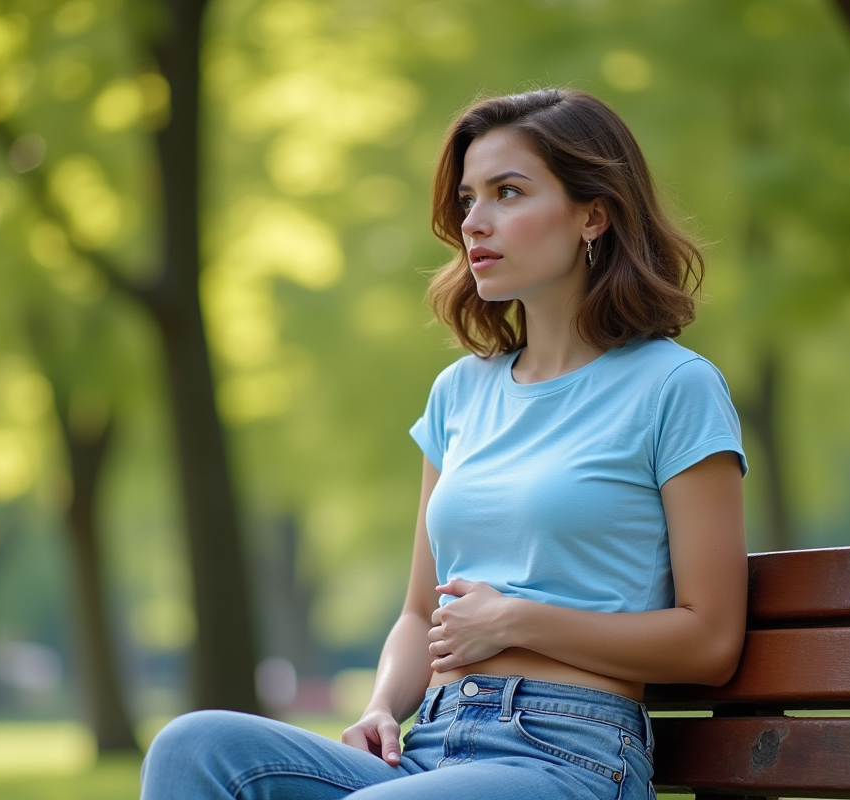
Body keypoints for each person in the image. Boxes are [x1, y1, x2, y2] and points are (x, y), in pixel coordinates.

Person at [139, 87, 748, 800]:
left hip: (567, 755)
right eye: (467, 199)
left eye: (507, 193)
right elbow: (418, 615)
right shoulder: (460, 393)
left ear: (594, 214)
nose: (475, 223)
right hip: (430, 747)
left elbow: (710, 640)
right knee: (195, 749)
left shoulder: (674, 387)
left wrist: (518, 620)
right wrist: (378, 709)